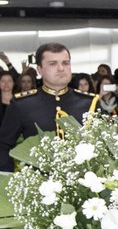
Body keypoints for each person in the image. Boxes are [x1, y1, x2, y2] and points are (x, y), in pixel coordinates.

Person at [0, 43, 100, 172]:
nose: (61, 68)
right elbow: (4, 145)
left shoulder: (89, 102)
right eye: (53, 64)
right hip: (39, 184)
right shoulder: (22, 104)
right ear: (39, 70)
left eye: (65, 63)